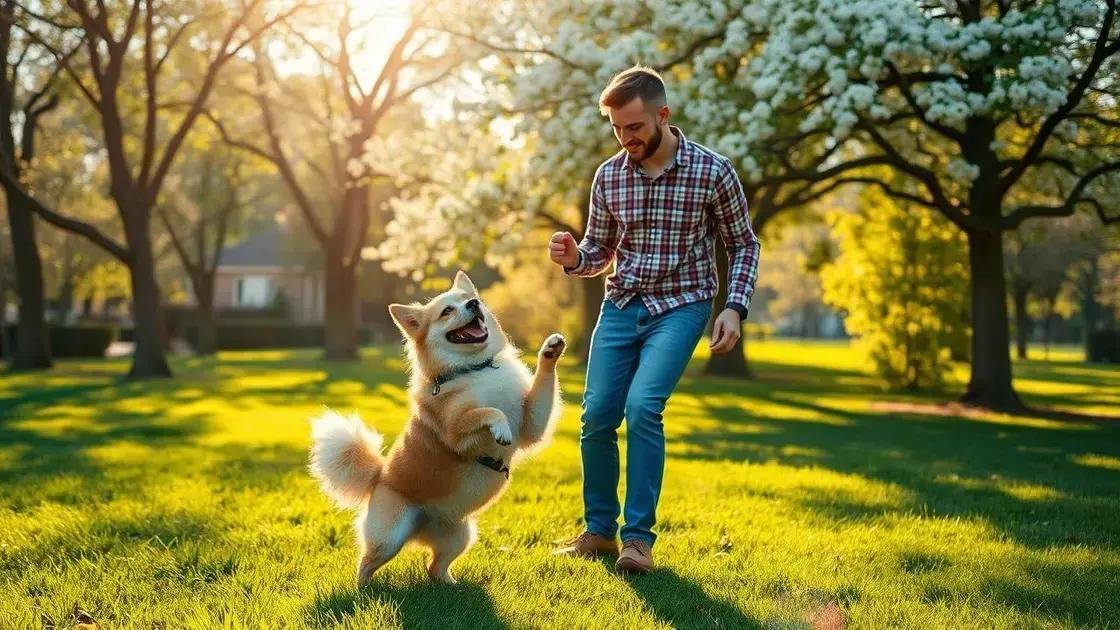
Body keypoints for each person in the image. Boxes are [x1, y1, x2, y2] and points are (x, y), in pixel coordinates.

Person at [548, 65, 761, 573]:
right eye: (617, 128)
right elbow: (600, 248)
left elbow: (743, 245)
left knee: (644, 407)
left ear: (663, 115)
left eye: (635, 127)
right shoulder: (609, 176)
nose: (626, 139)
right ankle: (599, 531)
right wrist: (575, 257)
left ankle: (637, 539)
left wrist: (734, 306)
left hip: (682, 305)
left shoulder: (713, 172)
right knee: (597, 416)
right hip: (621, 304)